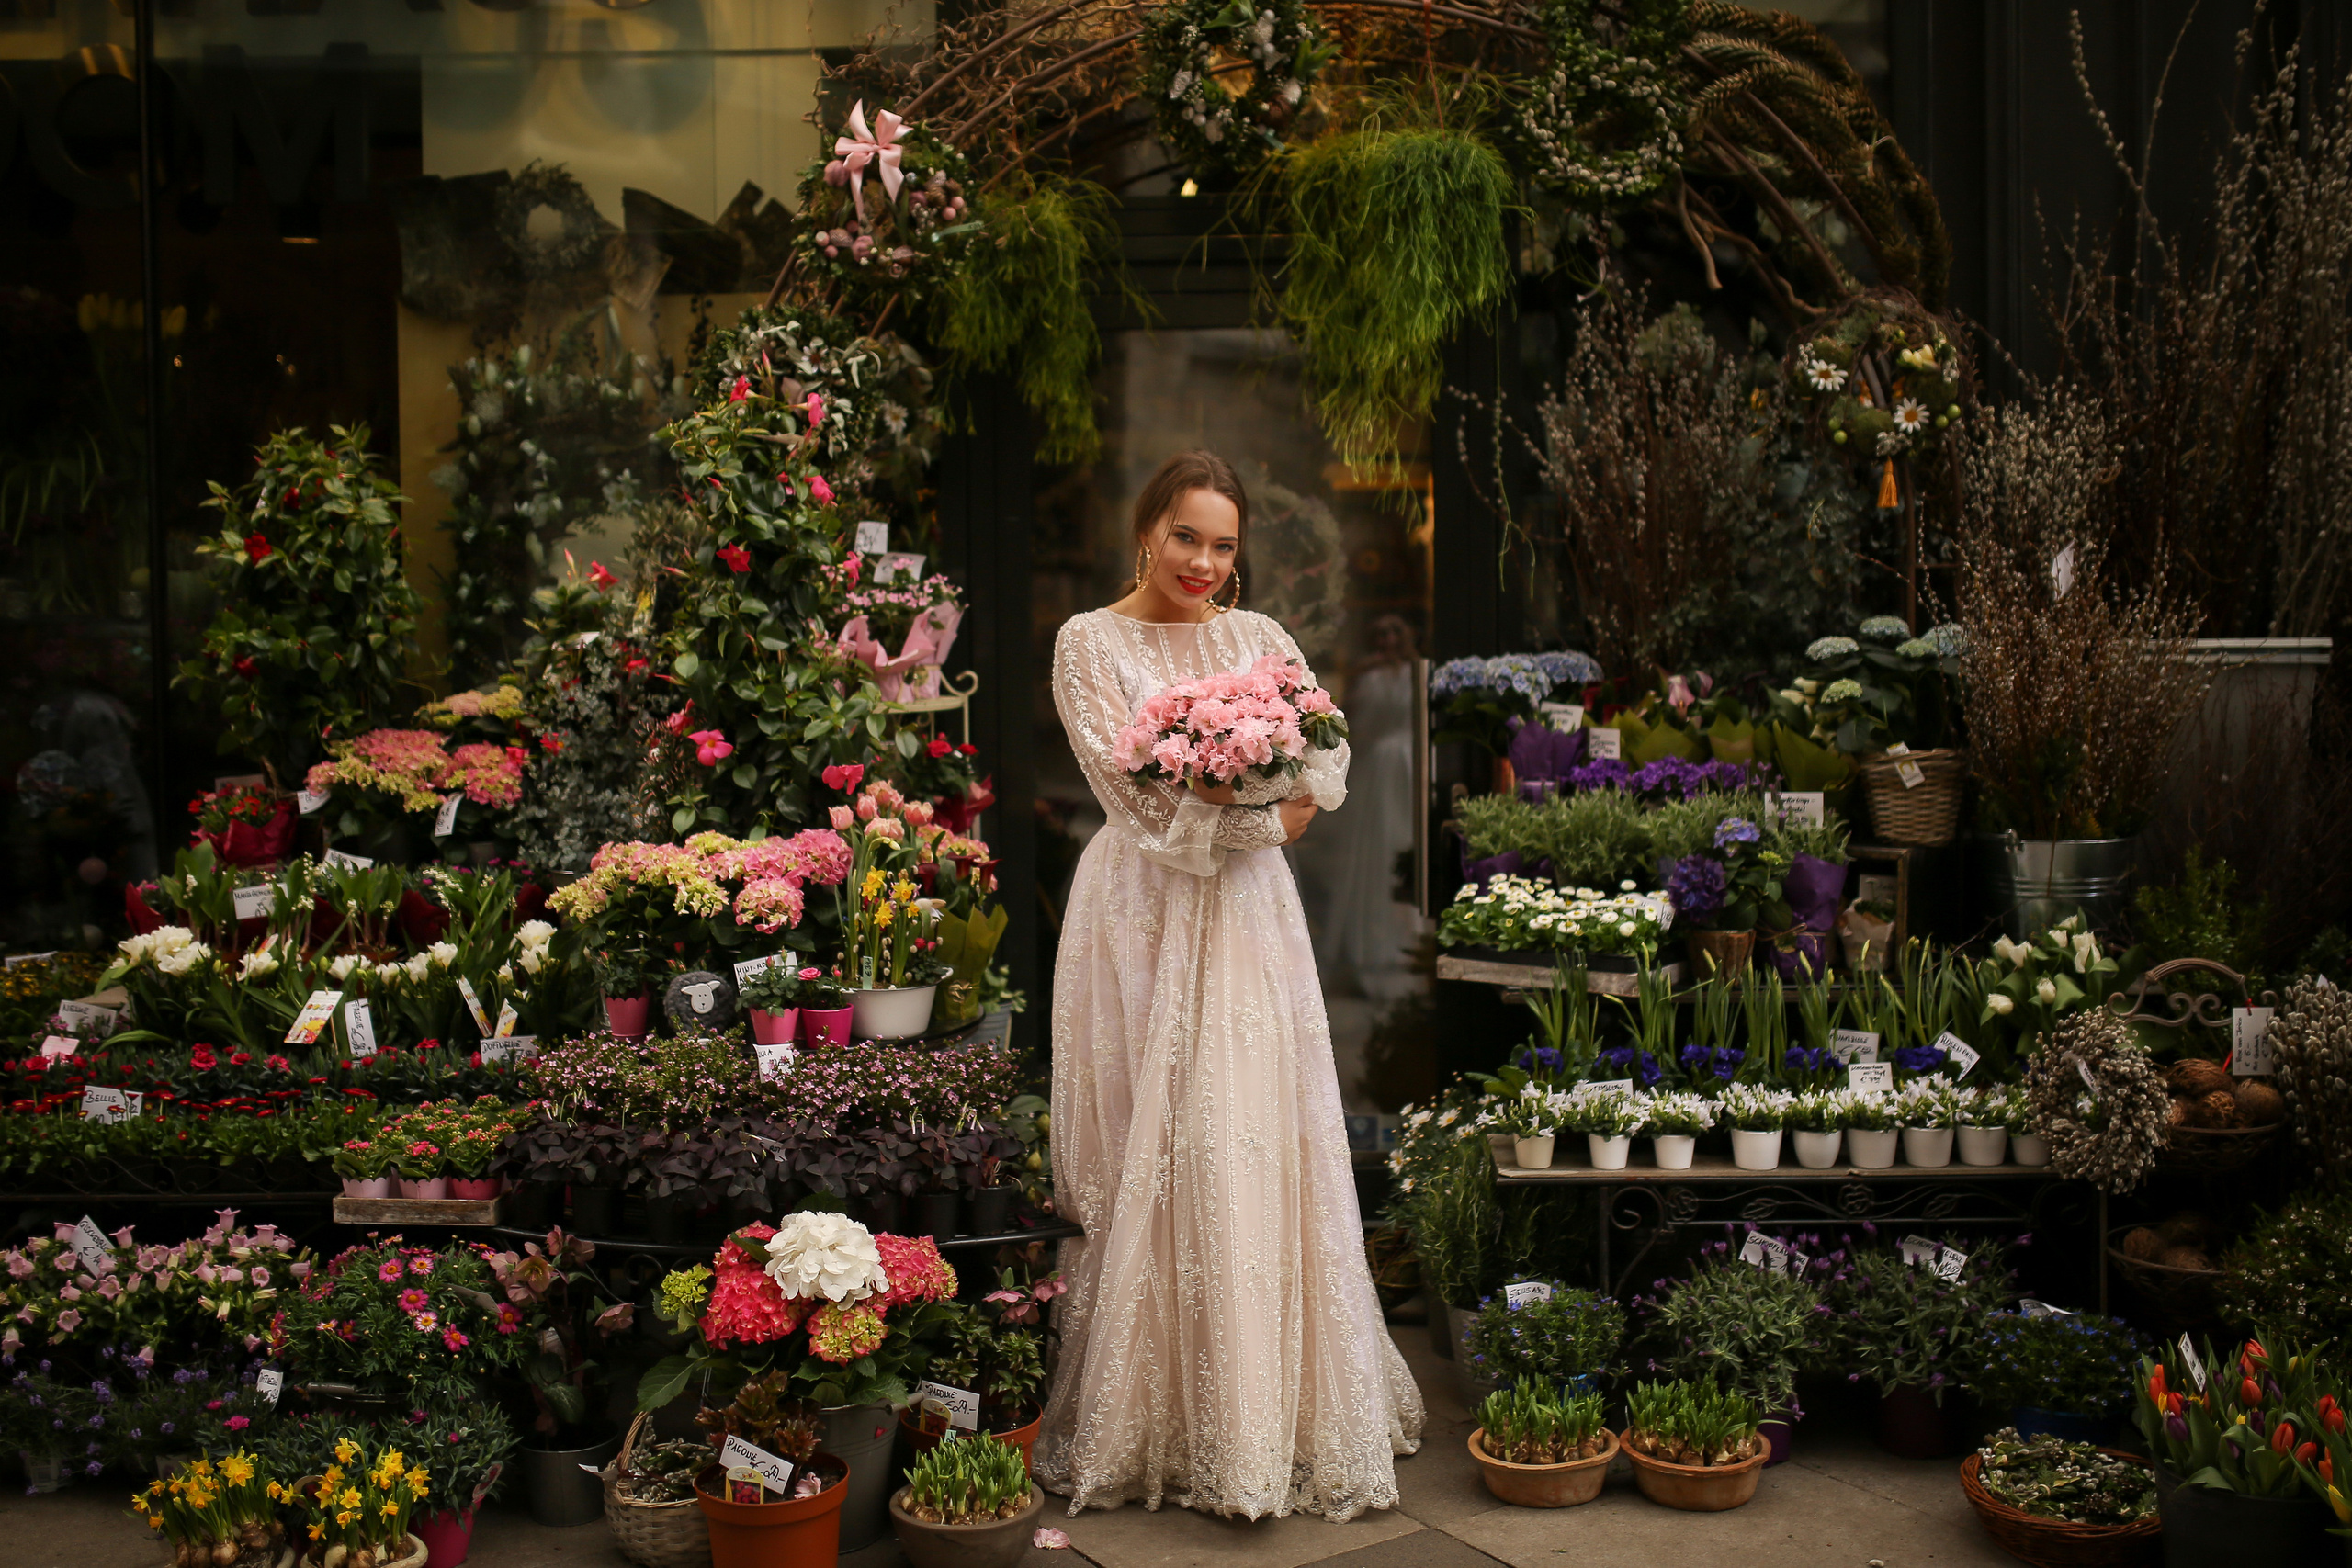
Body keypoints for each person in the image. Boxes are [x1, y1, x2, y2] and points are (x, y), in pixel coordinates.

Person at [1035, 450, 1424, 1522]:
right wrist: (1256, 816)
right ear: (1144, 531)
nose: (1202, 561)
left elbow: (1326, 758)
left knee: (1248, 1135)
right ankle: (1158, 1415)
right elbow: (1138, 806)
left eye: (1222, 544)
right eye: (1185, 536)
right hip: (1139, 918)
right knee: (1151, 1142)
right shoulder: (1088, 644)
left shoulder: (1257, 639)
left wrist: (1273, 801)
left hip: (1250, 920)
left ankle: (1271, 1419)